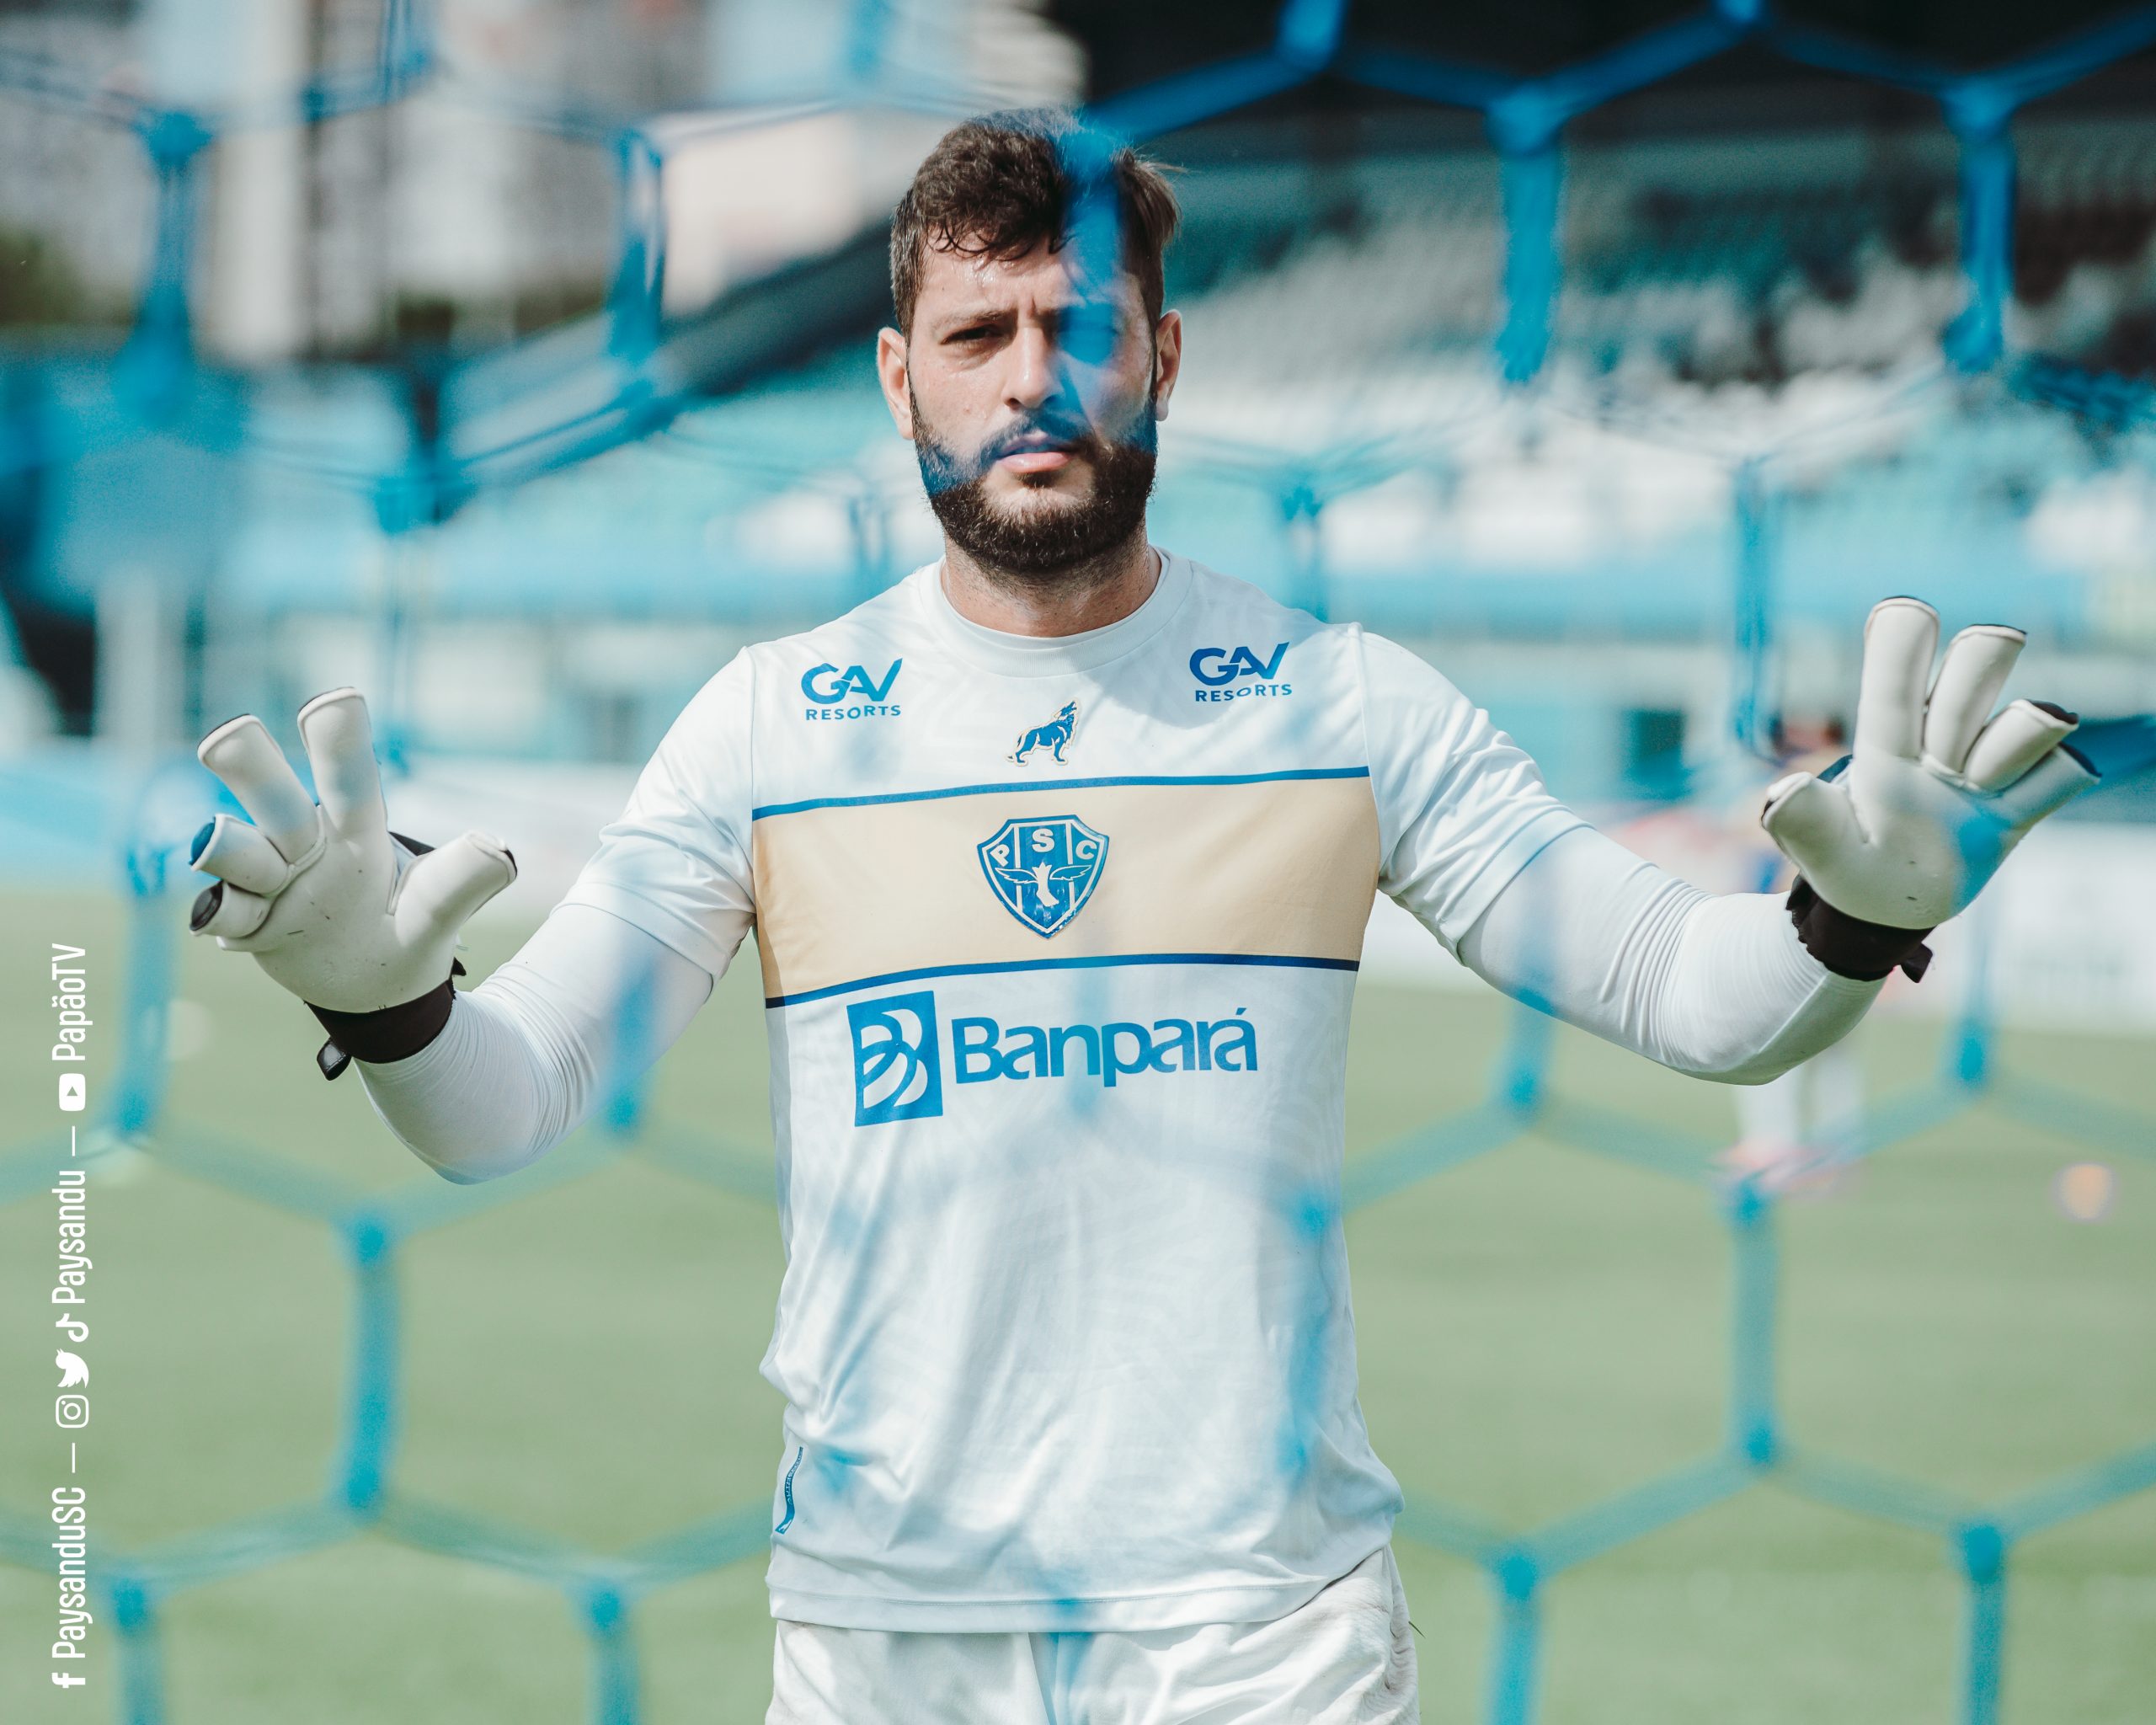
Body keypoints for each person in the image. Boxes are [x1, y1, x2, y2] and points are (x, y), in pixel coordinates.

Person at [184, 109, 2095, 1723]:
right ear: (895, 375)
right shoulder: (768, 726)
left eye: (1076, 325)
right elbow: (506, 1110)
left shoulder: (1337, 702)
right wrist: (396, 1004)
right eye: (976, 332)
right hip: (884, 1633)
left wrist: (1844, 922)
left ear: (1163, 359)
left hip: (1260, 1636)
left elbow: (1695, 996)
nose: (1029, 376)